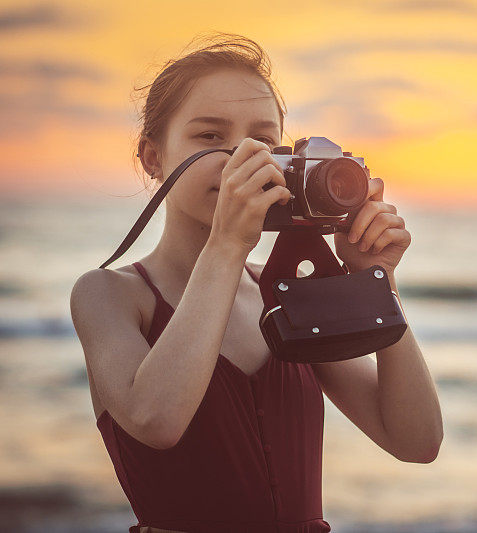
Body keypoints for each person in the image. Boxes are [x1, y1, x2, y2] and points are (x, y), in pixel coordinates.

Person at [69, 32, 443, 533]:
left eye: (264, 142)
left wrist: (376, 279)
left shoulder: (287, 293)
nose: (241, 158)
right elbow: (155, 420)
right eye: (209, 137)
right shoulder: (107, 294)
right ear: (153, 158)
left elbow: (415, 441)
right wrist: (227, 245)